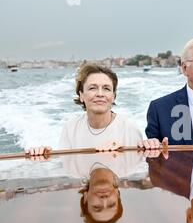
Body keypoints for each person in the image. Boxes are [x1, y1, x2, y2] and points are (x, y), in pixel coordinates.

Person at [27, 63, 155, 156]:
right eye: (92, 88)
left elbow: (135, 169)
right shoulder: (71, 128)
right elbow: (66, 168)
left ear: (113, 96)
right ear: (81, 95)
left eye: (106, 88)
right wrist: (42, 155)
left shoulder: (129, 128)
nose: (100, 94)